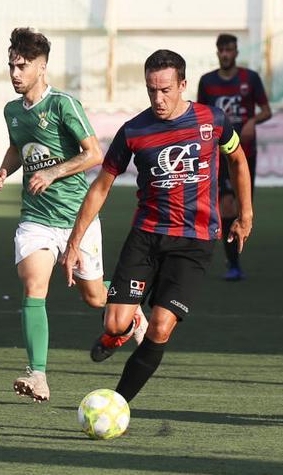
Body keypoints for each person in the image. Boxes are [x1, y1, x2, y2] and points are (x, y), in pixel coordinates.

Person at [61, 49, 253, 404]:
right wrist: (74, 242)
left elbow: (237, 161)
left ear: (182, 84)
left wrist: (245, 215)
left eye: (165, 89)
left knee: (162, 326)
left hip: (194, 243)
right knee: (114, 324)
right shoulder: (134, 131)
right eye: (152, 90)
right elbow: (101, 186)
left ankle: (117, 403)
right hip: (146, 237)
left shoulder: (213, 120)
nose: (158, 98)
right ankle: (126, 326)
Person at [0, 27, 109, 403]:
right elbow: (17, 147)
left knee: (96, 298)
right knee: (33, 287)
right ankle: (37, 374)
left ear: (41, 67)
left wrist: (54, 172)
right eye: (11, 65)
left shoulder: (63, 105)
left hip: (77, 218)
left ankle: (132, 314)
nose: (14, 73)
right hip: (36, 219)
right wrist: (4, 170)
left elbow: (95, 154)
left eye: (22, 66)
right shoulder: (12, 111)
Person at [196, 33, 271, 281]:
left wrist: (251, 121)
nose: (226, 54)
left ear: (236, 52)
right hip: (218, 155)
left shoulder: (250, 79)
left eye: (230, 50)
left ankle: (231, 257)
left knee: (241, 206)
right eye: (222, 50)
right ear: (217, 52)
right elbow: (201, 116)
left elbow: (266, 111)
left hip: (245, 155)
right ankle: (233, 264)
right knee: (225, 206)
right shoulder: (207, 82)